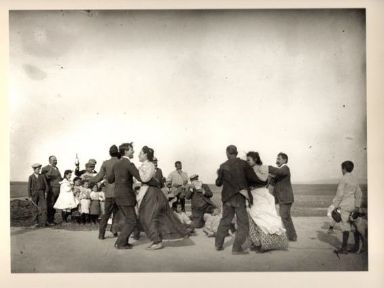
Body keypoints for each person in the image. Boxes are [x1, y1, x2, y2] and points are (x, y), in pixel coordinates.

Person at [107, 142, 161, 250]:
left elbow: (110, 179)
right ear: (126, 151)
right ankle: (120, 243)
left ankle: (124, 242)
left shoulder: (116, 164)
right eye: (131, 149)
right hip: (126, 196)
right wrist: (156, 183)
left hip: (117, 195)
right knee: (132, 220)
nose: (134, 151)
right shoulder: (129, 164)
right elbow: (141, 178)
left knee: (128, 219)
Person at [215, 145, 266, 255]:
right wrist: (264, 182)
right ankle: (236, 248)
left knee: (225, 220)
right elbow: (253, 179)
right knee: (243, 223)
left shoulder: (223, 166)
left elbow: (218, 183)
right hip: (239, 197)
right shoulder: (244, 164)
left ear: (227, 153)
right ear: (236, 153)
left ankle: (218, 245)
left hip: (227, 198)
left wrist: (219, 174)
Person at [137, 146, 190, 250]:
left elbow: (147, 179)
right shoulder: (147, 166)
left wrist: (137, 172)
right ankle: (157, 238)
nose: (139, 155)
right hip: (149, 192)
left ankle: (157, 240)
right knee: (152, 216)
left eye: (141, 153)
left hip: (152, 193)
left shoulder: (151, 166)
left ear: (147, 155)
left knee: (151, 216)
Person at [246, 152, 288, 252]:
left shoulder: (257, 169)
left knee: (259, 218)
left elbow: (262, 179)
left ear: (255, 159)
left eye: (249, 160)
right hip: (260, 194)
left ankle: (261, 243)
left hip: (258, 195)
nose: (247, 162)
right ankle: (260, 243)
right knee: (261, 218)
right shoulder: (259, 169)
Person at [89, 145, 121, 240]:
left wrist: (90, 181)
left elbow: (99, 176)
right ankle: (114, 231)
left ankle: (101, 234)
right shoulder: (121, 162)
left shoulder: (106, 163)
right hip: (120, 192)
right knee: (117, 213)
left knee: (106, 214)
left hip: (109, 193)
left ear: (109, 153)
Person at [332, 161, 362, 254]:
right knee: (356, 226)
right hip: (354, 205)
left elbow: (339, 194)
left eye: (342, 168)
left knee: (345, 226)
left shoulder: (343, 179)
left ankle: (344, 248)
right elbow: (359, 193)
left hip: (345, 205)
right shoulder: (355, 179)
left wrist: (335, 206)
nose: (342, 170)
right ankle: (356, 247)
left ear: (344, 168)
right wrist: (357, 206)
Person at [268, 152, 297, 241]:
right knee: (286, 217)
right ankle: (292, 236)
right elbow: (271, 181)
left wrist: (267, 168)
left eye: (279, 159)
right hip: (283, 198)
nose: (277, 160)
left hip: (286, 198)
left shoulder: (285, 168)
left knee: (284, 216)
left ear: (285, 160)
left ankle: (292, 236)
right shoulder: (279, 171)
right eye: (277, 159)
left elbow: (277, 171)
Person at [41, 156, 62, 225]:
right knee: (50, 205)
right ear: (49, 161)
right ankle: (49, 221)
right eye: (54, 160)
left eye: (56, 160)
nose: (55, 161)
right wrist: (51, 169)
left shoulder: (57, 168)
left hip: (58, 189)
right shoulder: (45, 168)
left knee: (54, 205)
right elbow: (45, 178)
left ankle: (52, 220)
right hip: (51, 190)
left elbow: (59, 178)